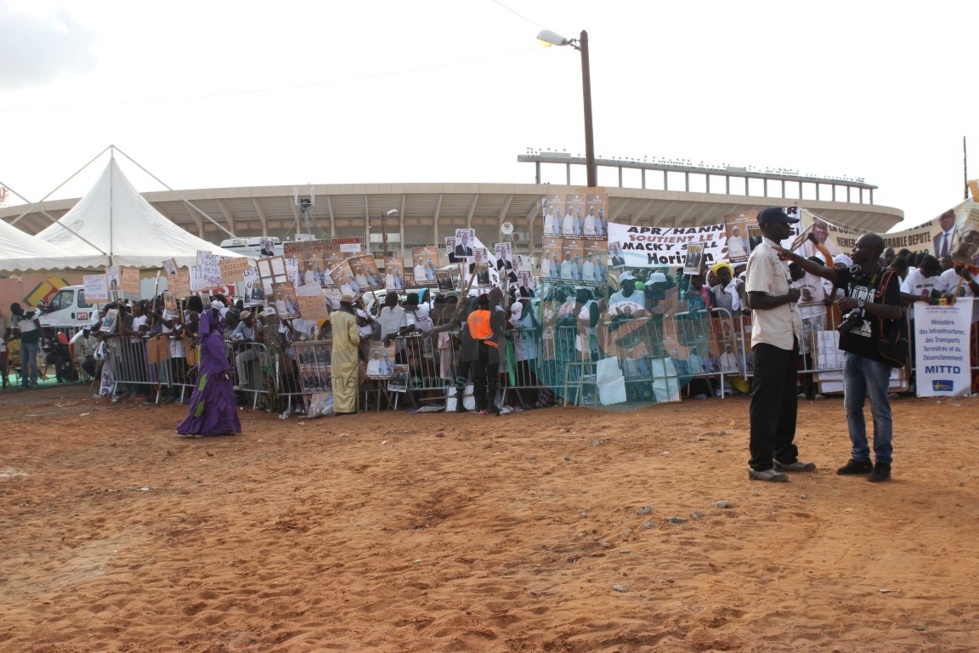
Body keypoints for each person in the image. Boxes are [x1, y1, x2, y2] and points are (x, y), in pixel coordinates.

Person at [781, 232, 903, 483]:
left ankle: (883, 462)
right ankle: (860, 458)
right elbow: (820, 270)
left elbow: (895, 311)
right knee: (851, 408)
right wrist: (792, 256)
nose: (853, 251)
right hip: (852, 350)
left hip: (875, 353)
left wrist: (860, 304)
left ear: (872, 251)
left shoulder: (887, 278)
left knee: (879, 408)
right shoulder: (852, 274)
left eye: (858, 247)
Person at [744, 207, 812, 482]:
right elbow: (755, 300)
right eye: (784, 224)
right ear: (769, 225)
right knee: (767, 404)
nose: (788, 228)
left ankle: (783, 455)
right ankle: (759, 464)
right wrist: (789, 296)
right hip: (770, 339)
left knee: (785, 401)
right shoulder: (762, 255)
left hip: (786, 335)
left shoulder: (776, 255)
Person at [176, 299, 241, 436]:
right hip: (208, 372)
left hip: (212, 375)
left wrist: (226, 368)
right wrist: (195, 368)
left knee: (203, 399)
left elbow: (219, 356)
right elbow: (206, 358)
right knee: (213, 401)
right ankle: (220, 427)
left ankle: (199, 426)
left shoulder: (213, 337)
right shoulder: (208, 338)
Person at [467, 294, 504, 415]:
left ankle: (479, 404)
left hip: (476, 348)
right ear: (487, 304)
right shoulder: (489, 315)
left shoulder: (471, 316)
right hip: (490, 347)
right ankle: (491, 404)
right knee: (492, 377)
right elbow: (497, 329)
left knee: (478, 377)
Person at [331, 295, 361, 415]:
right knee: (350, 379)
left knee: (338, 380)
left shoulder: (332, 316)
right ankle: (349, 408)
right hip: (348, 353)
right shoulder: (350, 317)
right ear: (349, 305)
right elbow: (354, 339)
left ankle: (339, 408)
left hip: (336, 354)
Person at [9, 303, 41, 389]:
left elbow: (39, 326)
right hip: (23, 342)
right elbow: (21, 332)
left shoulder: (31, 314)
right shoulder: (18, 318)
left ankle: (34, 382)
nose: (13, 313)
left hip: (32, 342)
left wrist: (42, 338)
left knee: (32, 363)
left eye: (13, 311)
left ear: (18, 308)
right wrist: (11, 339)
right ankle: (24, 382)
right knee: (23, 363)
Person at [230, 310, 262, 390]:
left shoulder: (257, 323)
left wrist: (241, 341)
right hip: (253, 349)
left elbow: (253, 338)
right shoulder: (242, 323)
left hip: (261, 350)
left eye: (250, 317)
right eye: (248, 318)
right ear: (243, 320)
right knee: (238, 358)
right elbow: (232, 335)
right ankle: (243, 383)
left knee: (266, 369)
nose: (250, 319)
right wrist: (234, 339)